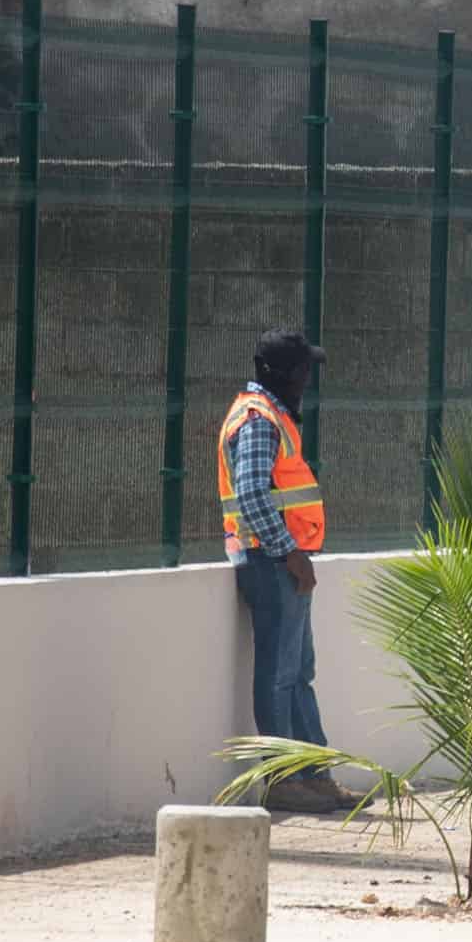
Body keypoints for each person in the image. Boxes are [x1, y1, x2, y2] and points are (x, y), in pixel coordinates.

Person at [215, 331, 347, 810]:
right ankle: (283, 781)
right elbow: (251, 493)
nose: (307, 380)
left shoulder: (272, 417)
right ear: (283, 374)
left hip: (280, 559)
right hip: (269, 560)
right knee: (279, 674)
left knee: (297, 672)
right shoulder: (259, 420)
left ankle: (315, 775)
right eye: (303, 370)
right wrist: (288, 550)